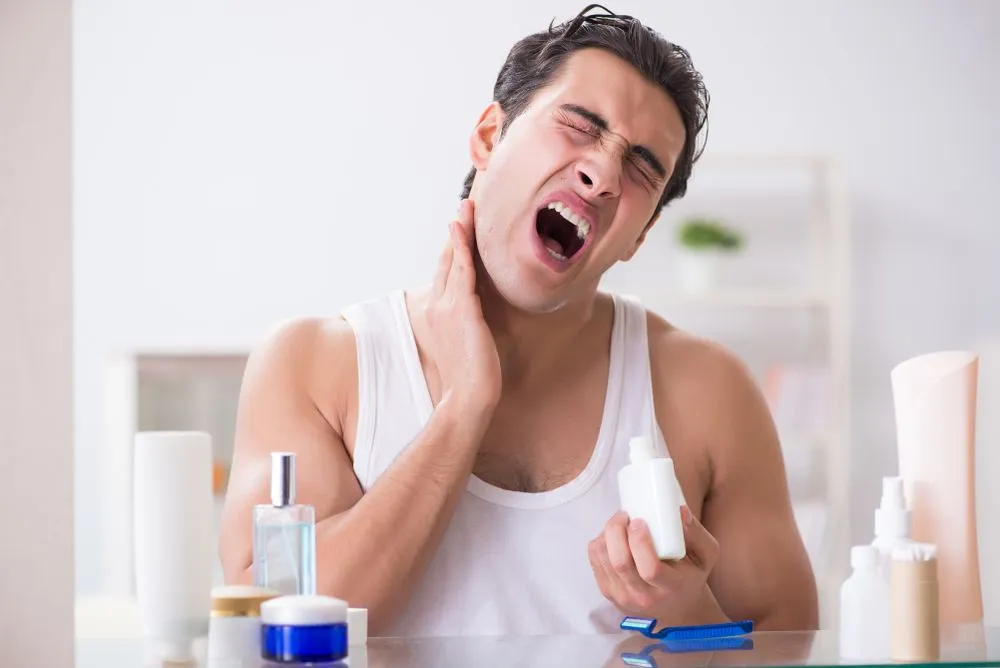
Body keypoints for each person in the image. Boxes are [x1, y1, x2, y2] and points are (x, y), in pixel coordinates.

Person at [219, 4, 819, 637]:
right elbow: (273, 631)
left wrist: (686, 610)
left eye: (642, 167)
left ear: (640, 236)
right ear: (489, 137)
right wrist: (465, 407)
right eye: (579, 125)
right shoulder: (313, 365)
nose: (603, 175)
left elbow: (792, 644)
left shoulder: (710, 392)